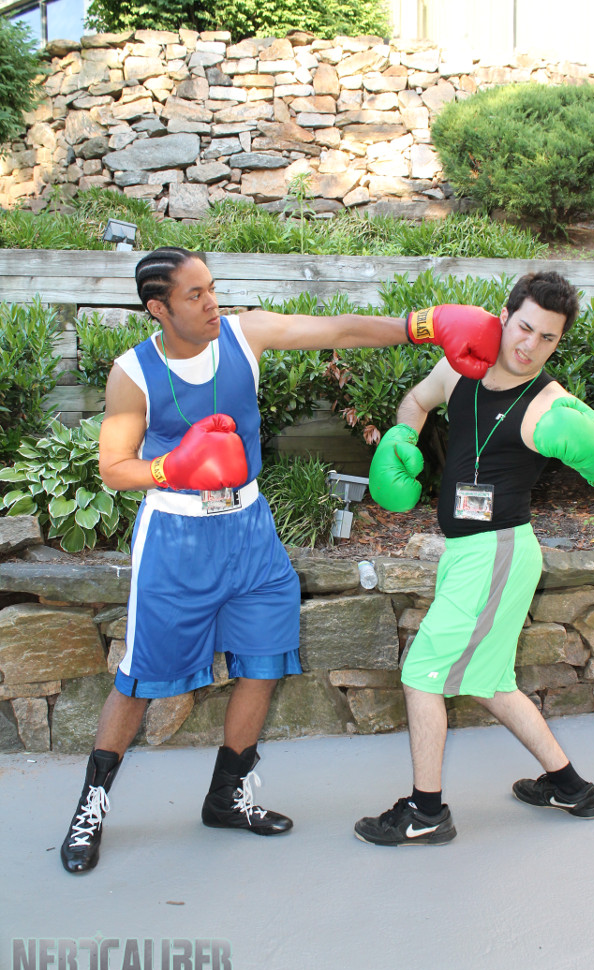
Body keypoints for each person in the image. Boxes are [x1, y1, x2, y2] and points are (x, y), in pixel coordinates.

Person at [60, 246, 502, 874]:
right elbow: (113, 468)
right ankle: (91, 806)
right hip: (176, 539)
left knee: (263, 660)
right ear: (158, 308)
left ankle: (227, 795)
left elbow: (338, 330)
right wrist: (172, 467)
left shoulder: (246, 334)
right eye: (194, 295)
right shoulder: (132, 372)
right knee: (140, 678)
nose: (212, 303)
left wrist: (421, 325)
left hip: (251, 530)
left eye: (212, 288)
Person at [354, 270, 594, 847]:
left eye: (548, 337)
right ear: (504, 317)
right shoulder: (462, 366)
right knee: (489, 680)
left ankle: (426, 812)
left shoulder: (552, 409)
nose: (531, 345)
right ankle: (571, 787)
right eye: (525, 327)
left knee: (422, 674)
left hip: (499, 551)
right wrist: (402, 437)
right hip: (468, 552)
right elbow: (416, 400)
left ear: (559, 341)